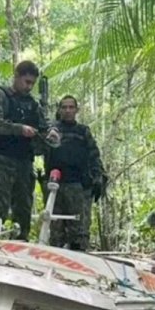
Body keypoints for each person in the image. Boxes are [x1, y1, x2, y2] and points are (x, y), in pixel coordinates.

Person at [0, 61, 60, 240]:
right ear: (16, 76)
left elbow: (45, 124)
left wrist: (52, 132)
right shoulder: (0, 95)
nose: (29, 87)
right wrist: (20, 129)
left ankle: (20, 242)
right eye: (26, 82)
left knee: (24, 207)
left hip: (25, 162)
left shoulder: (33, 104)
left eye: (32, 84)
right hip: (3, 159)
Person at [44, 95, 106, 251]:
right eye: (64, 107)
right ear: (59, 109)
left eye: (71, 107)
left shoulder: (83, 131)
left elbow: (94, 155)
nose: (68, 110)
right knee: (55, 231)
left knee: (79, 231)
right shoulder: (53, 129)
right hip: (55, 185)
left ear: (76, 110)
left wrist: (97, 178)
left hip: (78, 185)